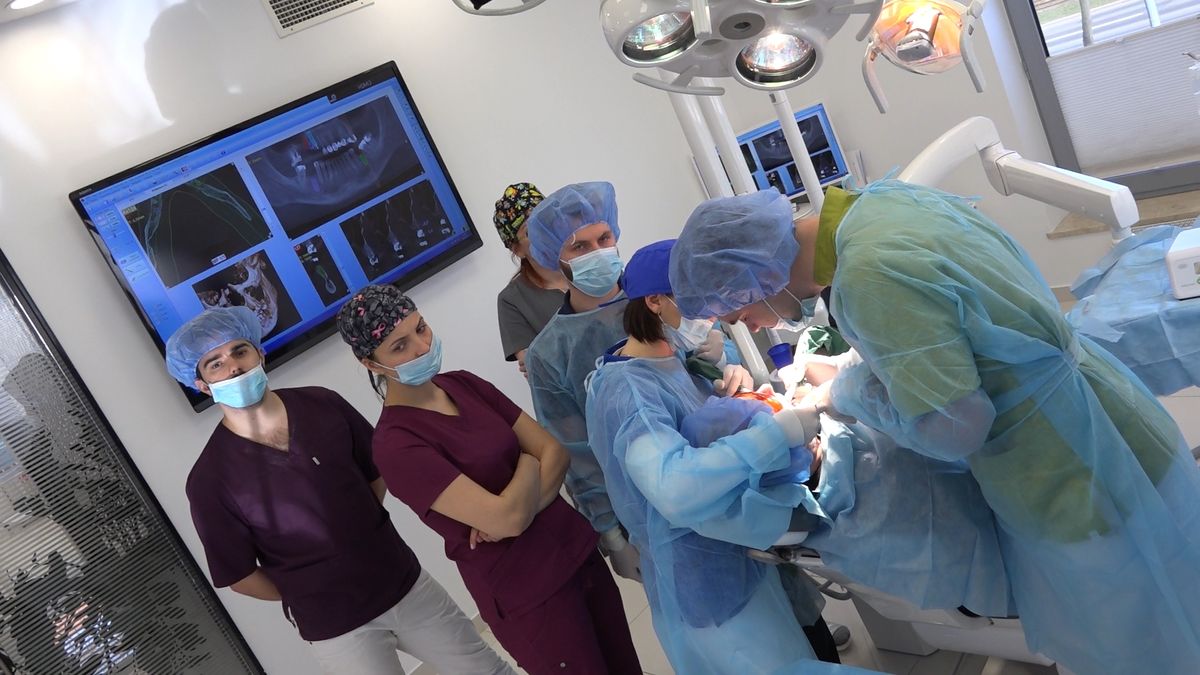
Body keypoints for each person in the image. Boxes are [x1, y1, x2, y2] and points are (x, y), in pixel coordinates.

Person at [669, 183, 1200, 675]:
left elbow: (955, 427)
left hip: (1065, 469)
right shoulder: (882, 205)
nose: (747, 325)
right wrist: (859, 370)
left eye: (735, 311)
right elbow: (945, 337)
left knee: (1134, 639)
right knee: (1176, 588)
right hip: (1112, 414)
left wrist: (844, 395)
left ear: (754, 274)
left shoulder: (868, 275)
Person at [165, 307, 513, 675]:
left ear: (260, 354)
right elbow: (240, 576)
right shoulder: (210, 479)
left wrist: (357, 535)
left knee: (488, 670)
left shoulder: (322, 404)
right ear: (202, 385)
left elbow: (376, 474)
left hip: (404, 582)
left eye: (240, 351)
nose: (234, 367)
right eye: (215, 364)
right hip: (335, 627)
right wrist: (309, 589)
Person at [336, 285, 642, 675]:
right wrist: (528, 465)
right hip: (529, 592)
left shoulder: (465, 384)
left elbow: (555, 453)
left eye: (421, 328)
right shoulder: (396, 444)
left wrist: (515, 506)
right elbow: (509, 515)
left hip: (576, 551)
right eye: (399, 346)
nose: (422, 347)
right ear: (371, 363)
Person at [585, 239, 854, 673]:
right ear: (655, 301)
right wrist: (776, 434)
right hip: (705, 575)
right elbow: (675, 486)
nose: (712, 316)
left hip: (741, 545)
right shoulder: (627, 394)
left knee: (810, 647)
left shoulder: (675, 353)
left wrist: (735, 378)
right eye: (698, 304)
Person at [491, 182, 568, 376]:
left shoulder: (587, 261)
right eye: (529, 231)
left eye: (546, 220)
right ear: (517, 249)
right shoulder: (512, 301)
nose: (544, 232)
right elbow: (540, 374)